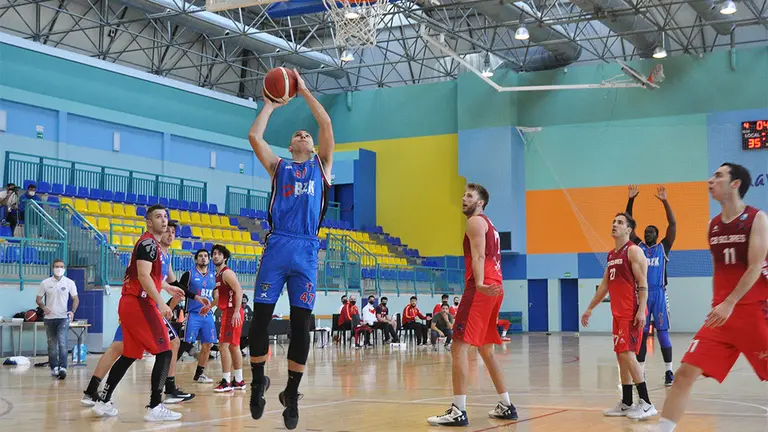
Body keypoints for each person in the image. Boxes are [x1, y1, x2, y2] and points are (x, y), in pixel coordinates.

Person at [246, 69, 333, 430]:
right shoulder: (278, 166)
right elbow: (254, 135)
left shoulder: (322, 166)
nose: (303, 134)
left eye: (307, 134)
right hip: (279, 244)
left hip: (307, 250)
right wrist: (269, 104)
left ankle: (291, 395)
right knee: (261, 320)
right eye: (297, 133)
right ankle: (257, 383)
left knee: (302, 326)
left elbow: (325, 122)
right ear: (290, 146)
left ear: (313, 147)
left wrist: (303, 90)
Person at [653, 163, 768, 432]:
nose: (710, 180)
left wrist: (729, 302)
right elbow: (719, 269)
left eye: (718, 176)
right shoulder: (713, 226)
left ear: (735, 184)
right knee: (683, 375)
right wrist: (719, 302)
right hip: (722, 317)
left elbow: (754, 266)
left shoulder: (757, 219)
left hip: (755, 312)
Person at [426, 183, 517, 427]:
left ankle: (458, 410)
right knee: (486, 349)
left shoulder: (475, 222)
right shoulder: (491, 226)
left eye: (469, 196)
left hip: (481, 288)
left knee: (458, 347)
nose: (463, 198)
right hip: (495, 286)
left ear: (480, 203)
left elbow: (478, 255)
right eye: (463, 194)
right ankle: (506, 404)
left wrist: (478, 283)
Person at [82, 221, 197, 406]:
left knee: (128, 352)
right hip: (140, 304)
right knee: (163, 348)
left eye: (173, 231)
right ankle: (161, 397)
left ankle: (99, 395)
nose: (170, 233)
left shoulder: (164, 255)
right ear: (153, 225)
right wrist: (162, 302)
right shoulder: (150, 247)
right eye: (167, 229)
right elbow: (144, 277)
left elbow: (165, 282)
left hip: (137, 304)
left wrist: (195, 297)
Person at [581, 212, 656, 420]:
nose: (614, 224)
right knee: (621, 356)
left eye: (620, 222)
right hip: (618, 313)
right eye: (613, 221)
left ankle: (647, 403)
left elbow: (643, 283)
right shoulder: (612, 255)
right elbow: (605, 285)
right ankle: (626, 403)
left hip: (631, 312)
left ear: (628, 230)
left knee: (627, 354)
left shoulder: (634, 252)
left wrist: (641, 310)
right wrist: (590, 308)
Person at [626, 184, 678, 386]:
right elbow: (629, 226)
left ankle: (669, 372)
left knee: (663, 333)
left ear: (656, 235)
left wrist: (665, 201)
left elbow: (672, 224)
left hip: (659, 295)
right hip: (642, 295)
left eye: (651, 232)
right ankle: (642, 372)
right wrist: (631, 200)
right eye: (645, 232)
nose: (647, 234)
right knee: (642, 333)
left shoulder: (663, 247)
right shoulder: (637, 247)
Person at [177, 249, 217, 383]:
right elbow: (180, 290)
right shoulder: (189, 274)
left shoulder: (213, 276)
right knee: (185, 343)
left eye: (206, 256)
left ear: (209, 259)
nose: (203, 258)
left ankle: (199, 374)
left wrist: (212, 304)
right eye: (200, 256)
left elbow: (216, 295)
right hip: (193, 314)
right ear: (196, 259)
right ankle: (167, 373)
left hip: (208, 315)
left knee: (208, 345)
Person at [36, 259, 78, 380]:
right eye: (56, 266)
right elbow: (38, 299)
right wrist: (43, 307)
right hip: (49, 318)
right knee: (51, 345)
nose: (59, 268)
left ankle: (63, 367)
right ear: (52, 268)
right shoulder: (45, 283)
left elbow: (76, 299)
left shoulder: (69, 283)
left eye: (61, 266)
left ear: (64, 268)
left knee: (62, 342)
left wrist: (72, 311)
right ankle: (54, 367)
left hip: (63, 318)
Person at [212, 244, 245, 393]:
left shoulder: (226, 273)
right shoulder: (218, 275)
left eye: (219, 254)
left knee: (223, 346)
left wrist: (237, 311)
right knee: (233, 346)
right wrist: (210, 305)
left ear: (225, 258)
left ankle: (226, 381)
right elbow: (221, 297)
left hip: (233, 311)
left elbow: (239, 290)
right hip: (230, 310)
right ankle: (238, 380)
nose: (216, 256)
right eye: (214, 254)